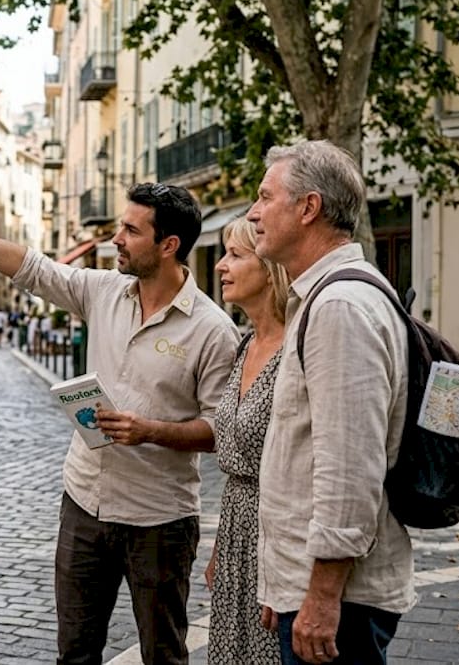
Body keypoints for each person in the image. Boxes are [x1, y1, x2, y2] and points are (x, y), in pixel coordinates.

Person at [0, 185, 239, 665]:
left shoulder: (212, 329)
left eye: (131, 230)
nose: (117, 238)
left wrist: (149, 430)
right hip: (83, 505)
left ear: (169, 245)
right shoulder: (103, 291)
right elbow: (31, 267)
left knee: (164, 655)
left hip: (159, 520)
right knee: (75, 654)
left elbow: (219, 428)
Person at [247, 140, 412, 665]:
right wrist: (286, 581)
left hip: (343, 597)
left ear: (308, 208)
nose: (254, 213)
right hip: (314, 584)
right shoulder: (326, 296)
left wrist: (318, 595)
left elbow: (350, 468)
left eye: (265, 196)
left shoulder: (340, 305)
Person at [203, 217, 290, 664]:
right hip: (238, 532)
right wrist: (221, 548)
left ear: (271, 268)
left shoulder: (296, 349)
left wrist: (286, 574)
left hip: (278, 540)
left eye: (236, 255)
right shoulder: (244, 345)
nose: (221, 266)